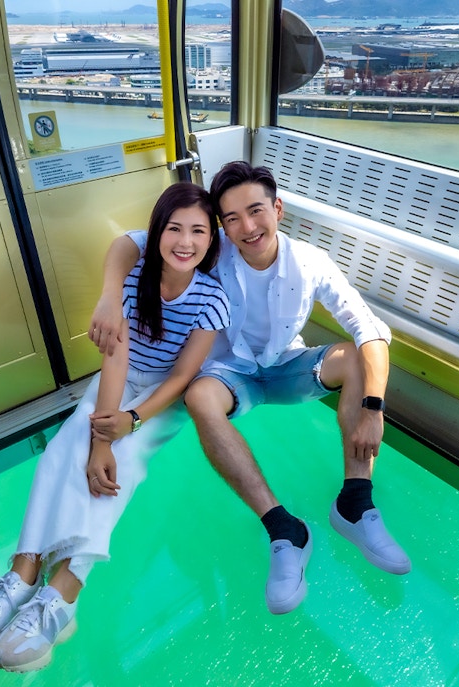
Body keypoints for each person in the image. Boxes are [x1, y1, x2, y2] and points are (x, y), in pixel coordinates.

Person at [89, 162, 410, 616]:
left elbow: (369, 330)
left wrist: (373, 409)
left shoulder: (311, 262)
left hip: (286, 366)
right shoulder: (211, 248)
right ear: (222, 225)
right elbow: (132, 242)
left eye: (256, 211)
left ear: (277, 209)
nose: (247, 227)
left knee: (356, 357)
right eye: (232, 218)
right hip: (231, 373)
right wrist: (108, 295)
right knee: (198, 396)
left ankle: (355, 503)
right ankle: (284, 529)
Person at [0, 182, 230, 671]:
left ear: (212, 240)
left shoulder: (211, 298)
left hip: (161, 399)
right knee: (63, 452)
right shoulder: (135, 274)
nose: (185, 242)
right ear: (156, 231)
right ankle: (23, 571)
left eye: (198, 232)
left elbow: (183, 376)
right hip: (118, 379)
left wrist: (131, 421)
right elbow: (116, 357)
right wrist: (102, 434)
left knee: (123, 466)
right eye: (174, 228)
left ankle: (66, 592)